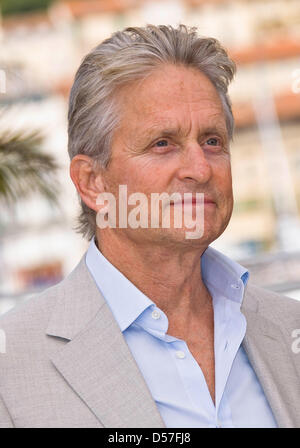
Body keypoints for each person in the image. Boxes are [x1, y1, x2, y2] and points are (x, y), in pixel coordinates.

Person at [0, 24, 299, 428]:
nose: (199, 168)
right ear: (92, 182)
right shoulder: (13, 369)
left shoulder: (288, 329)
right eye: (163, 143)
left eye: (212, 141)